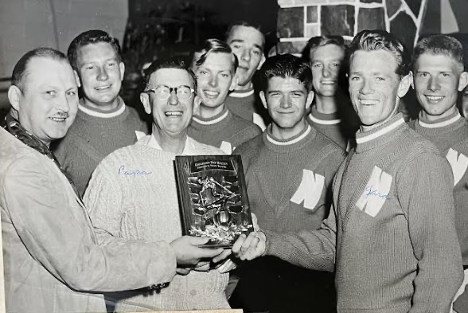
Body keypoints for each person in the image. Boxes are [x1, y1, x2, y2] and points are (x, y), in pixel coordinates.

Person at [232, 30, 463, 312]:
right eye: (357, 77)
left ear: (403, 85)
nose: (365, 90)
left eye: (379, 78)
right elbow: (334, 245)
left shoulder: (419, 159)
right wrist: (269, 242)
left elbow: (441, 267)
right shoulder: (353, 158)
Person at [0, 48, 224, 313]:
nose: (63, 106)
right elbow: (84, 265)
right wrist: (170, 255)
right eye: (49, 93)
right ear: (16, 97)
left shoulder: (29, 152)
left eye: (70, 93)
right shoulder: (24, 168)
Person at [84, 58, 232, 311]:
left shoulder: (219, 160)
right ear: (146, 102)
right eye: (162, 90)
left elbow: (229, 240)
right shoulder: (116, 166)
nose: (174, 101)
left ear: (195, 102)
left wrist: (229, 253)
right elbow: (90, 247)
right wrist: (166, 255)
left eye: (183, 91)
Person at [229, 54, 345, 312]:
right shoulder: (243, 154)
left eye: (295, 94)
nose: (285, 104)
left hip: (312, 289)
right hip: (254, 287)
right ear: (262, 99)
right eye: (275, 94)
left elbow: (337, 249)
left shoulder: (334, 158)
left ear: (310, 99)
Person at [407, 34, 468, 312]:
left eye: (444, 74)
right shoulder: (395, 137)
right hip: (399, 283)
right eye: (424, 74)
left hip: (458, 290)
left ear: (463, 81)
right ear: (411, 79)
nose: (433, 86)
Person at [53, 29, 149, 196]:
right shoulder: (59, 132)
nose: (102, 75)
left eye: (109, 64)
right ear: (76, 78)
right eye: (91, 67)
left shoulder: (146, 122)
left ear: (121, 70)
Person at [188, 39, 262, 154]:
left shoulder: (248, 135)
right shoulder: (172, 128)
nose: (213, 83)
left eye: (223, 75)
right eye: (204, 72)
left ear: (233, 82)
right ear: (188, 77)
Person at [301, 35, 359, 149]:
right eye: (318, 65)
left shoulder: (360, 125)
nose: (326, 73)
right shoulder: (297, 127)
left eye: (335, 64)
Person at [224, 22, 269, 130]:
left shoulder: (268, 109)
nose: (246, 57)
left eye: (255, 51)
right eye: (238, 46)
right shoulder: (199, 101)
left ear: (262, 60)